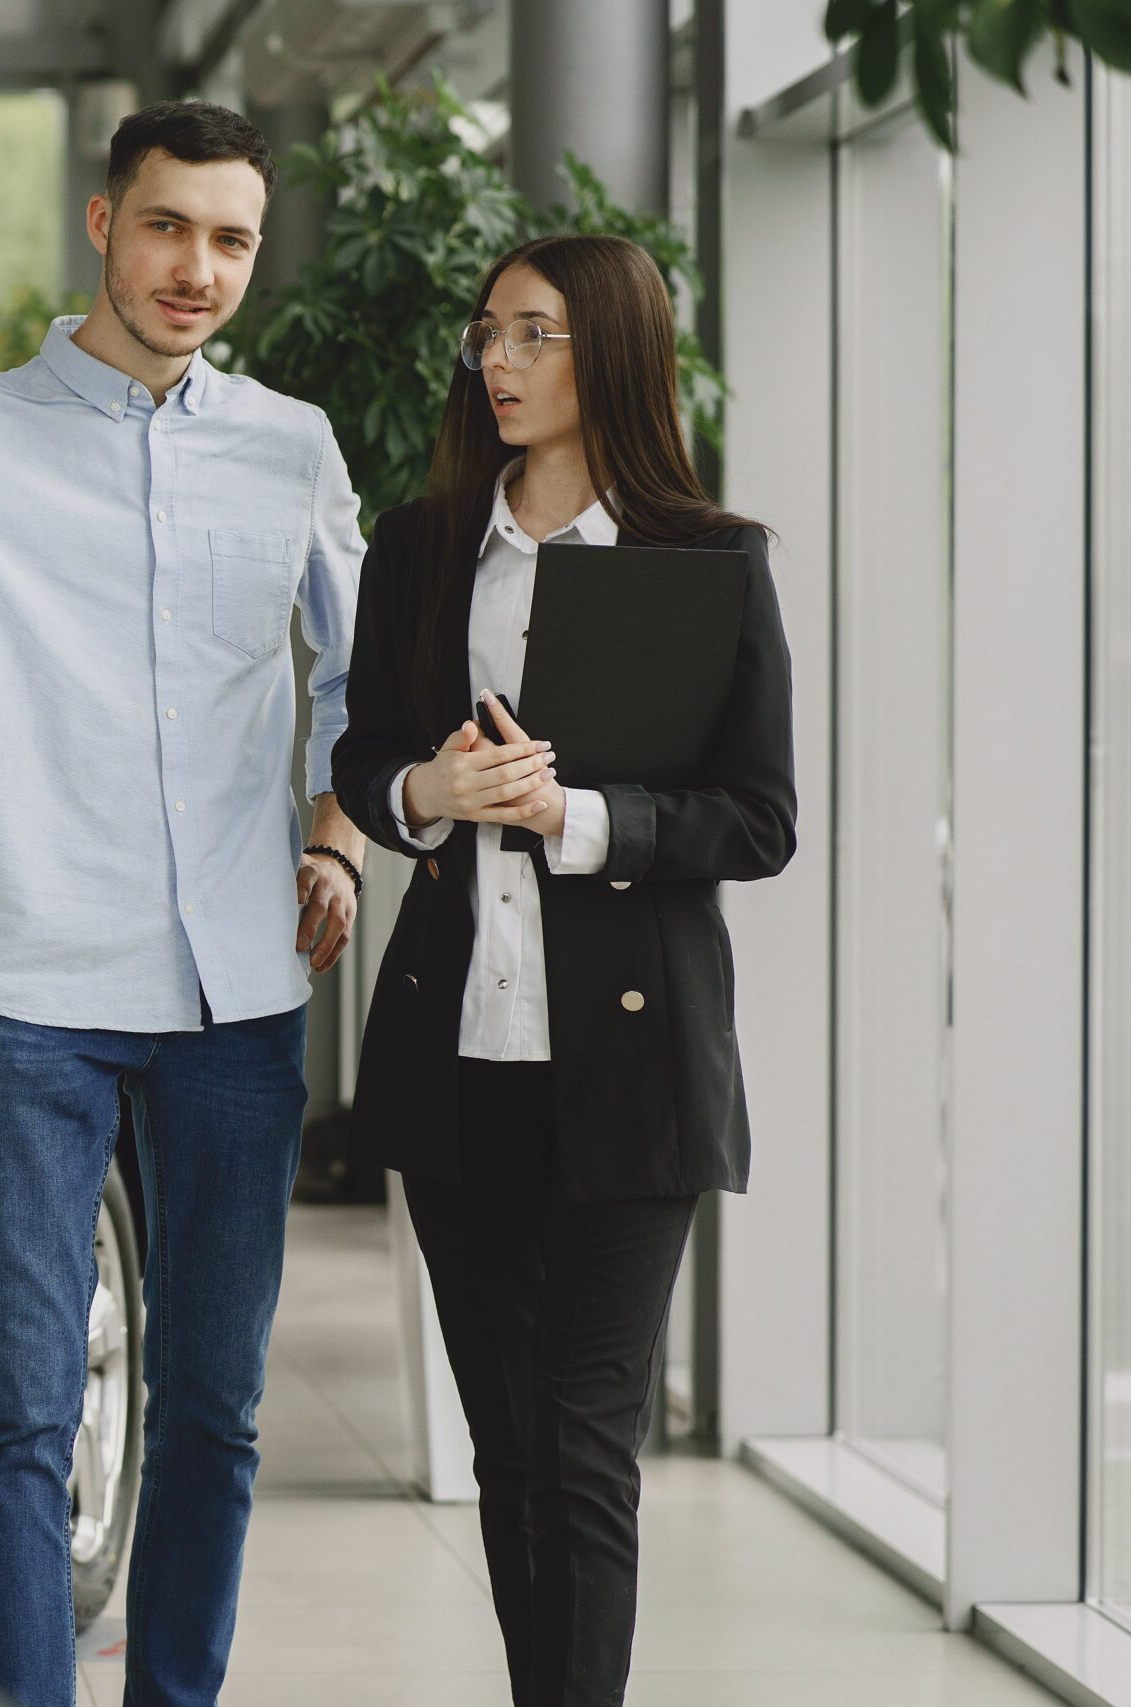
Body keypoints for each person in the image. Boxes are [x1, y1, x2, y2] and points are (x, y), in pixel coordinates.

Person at [0, 100, 366, 1707]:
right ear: (103, 226)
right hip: (30, 988)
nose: (198, 268)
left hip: (242, 993)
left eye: (231, 239)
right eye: (168, 227)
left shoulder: (289, 447)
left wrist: (342, 833)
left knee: (217, 1408)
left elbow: (362, 686)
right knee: (26, 1407)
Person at [331, 231, 797, 1707]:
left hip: (635, 1071)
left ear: (612, 350)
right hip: (457, 1059)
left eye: (535, 333)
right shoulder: (420, 547)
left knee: (587, 1449)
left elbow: (761, 818)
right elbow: (360, 752)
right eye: (489, 334)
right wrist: (427, 796)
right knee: (511, 1449)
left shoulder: (710, 560)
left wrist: (578, 818)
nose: (500, 360)